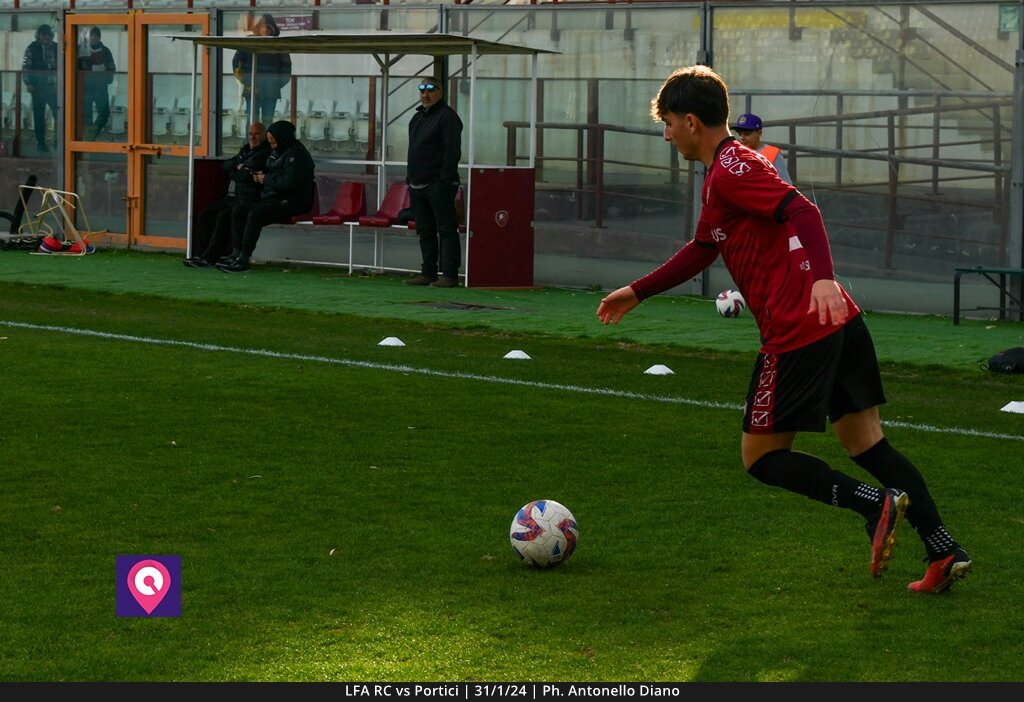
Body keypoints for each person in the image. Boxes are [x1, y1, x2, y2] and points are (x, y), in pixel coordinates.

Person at [596, 65, 971, 594]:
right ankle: (943, 549)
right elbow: (705, 246)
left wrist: (821, 279)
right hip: (838, 320)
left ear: (691, 121)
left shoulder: (732, 168)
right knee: (866, 442)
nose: (666, 136)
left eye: (668, 125)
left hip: (801, 328)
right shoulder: (725, 171)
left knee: (763, 457)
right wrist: (639, 291)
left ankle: (875, 505)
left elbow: (804, 211)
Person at [219, 119, 315, 273]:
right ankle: (235, 254)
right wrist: (263, 175)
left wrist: (266, 179)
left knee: (255, 214)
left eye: (274, 142)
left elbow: (289, 182)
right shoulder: (277, 151)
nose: (272, 146)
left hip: (293, 201)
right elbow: (273, 172)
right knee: (239, 211)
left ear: (283, 139)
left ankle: (244, 259)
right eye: (270, 142)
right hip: (274, 198)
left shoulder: (297, 155)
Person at [184, 122, 270, 269]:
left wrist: (238, 168)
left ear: (264, 135)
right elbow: (227, 165)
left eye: (256, 134)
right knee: (206, 214)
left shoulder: (264, 153)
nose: (252, 137)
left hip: (245, 198)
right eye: (250, 134)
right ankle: (200, 254)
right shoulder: (246, 149)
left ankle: (210, 258)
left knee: (224, 217)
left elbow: (245, 175)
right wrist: (237, 167)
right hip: (230, 196)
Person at [405, 77, 464, 288]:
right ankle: (428, 272)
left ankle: (449, 274)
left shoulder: (448, 117)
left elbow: (452, 151)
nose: (425, 95)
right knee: (425, 229)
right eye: (422, 90)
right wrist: (409, 178)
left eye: (430, 90)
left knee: (446, 228)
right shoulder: (417, 118)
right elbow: (413, 150)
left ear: (440, 92)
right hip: (417, 183)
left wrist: (444, 180)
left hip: (438, 184)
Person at [232, 14, 291, 126]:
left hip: (270, 91)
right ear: (258, 28)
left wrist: (274, 84)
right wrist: (250, 83)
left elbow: (286, 70)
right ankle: (250, 144)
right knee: (251, 123)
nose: (266, 30)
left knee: (268, 122)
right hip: (252, 90)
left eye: (269, 27)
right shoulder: (248, 43)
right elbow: (237, 66)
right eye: (264, 27)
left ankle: (267, 144)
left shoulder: (279, 45)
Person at [22, 24, 59, 153]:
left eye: (49, 34)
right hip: (38, 87)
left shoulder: (57, 47)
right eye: (44, 34)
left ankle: (59, 141)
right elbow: (26, 66)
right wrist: (28, 82)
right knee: (39, 116)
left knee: (59, 114)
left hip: (55, 87)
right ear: (39, 35)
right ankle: (41, 143)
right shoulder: (32, 48)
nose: (47, 36)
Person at [732, 113, 792, 184]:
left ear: (759, 133)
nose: (742, 138)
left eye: (747, 133)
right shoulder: (737, 152)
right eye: (740, 134)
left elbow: (786, 183)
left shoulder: (772, 154)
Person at [79, 27, 116, 139]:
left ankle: (92, 135)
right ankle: (88, 139)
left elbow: (112, 66)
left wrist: (108, 78)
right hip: (85, 88)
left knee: (104, 113)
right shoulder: (81, 50)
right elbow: (75, 67)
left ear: (99, 37)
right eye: (91, 35)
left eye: (96, 35)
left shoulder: (105, 51)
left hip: (101, 87)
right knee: (86, 116)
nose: (93, 37)